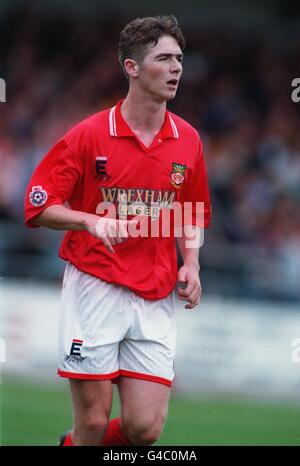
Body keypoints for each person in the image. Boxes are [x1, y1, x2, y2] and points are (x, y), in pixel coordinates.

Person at [24, 15, 211, 446]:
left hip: (156, 291)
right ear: (132, 67)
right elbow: (39, 205)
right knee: (91, 423)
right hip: (95, 286)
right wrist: (89, 220)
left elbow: (194, 211)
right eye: (164, 59)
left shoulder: (189, 140)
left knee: (144, 429)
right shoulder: (89, 134)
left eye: (179, 59)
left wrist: (193, 264)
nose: (177, 68)